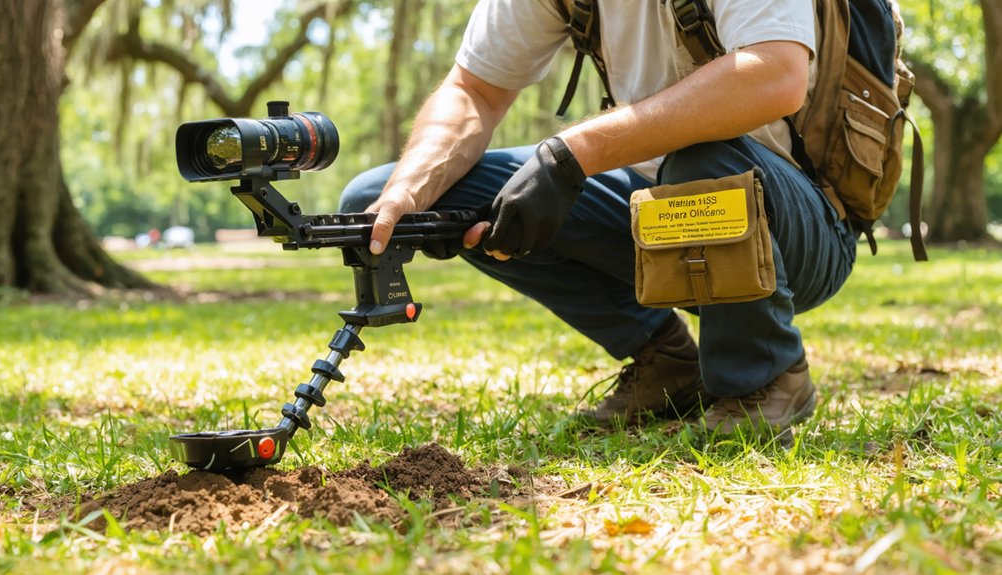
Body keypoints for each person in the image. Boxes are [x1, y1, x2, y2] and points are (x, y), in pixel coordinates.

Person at [339, 0, 857, 434]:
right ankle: (665, 361)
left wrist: (571, 154)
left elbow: (775, 74)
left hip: (798, 225)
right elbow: (474, 91)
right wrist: (409, 189)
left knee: (699, 163)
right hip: (650, 206)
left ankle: (764, 378)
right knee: (392, 192)